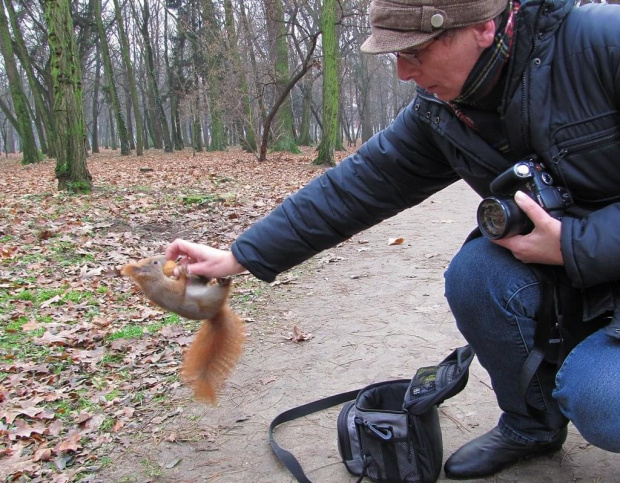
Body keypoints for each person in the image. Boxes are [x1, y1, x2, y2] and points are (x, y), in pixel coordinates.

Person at [166, 0, 620, 478]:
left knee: (604, 403)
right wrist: (237, 256)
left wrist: (576, 242)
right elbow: (356, 186)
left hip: (590, 256)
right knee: (476, 273)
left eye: (417, 52)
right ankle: (532, 426)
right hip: (577, 273)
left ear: (483, 29)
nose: (403, 72)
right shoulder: (443, 110)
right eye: (395, 55)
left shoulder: (602, 43)